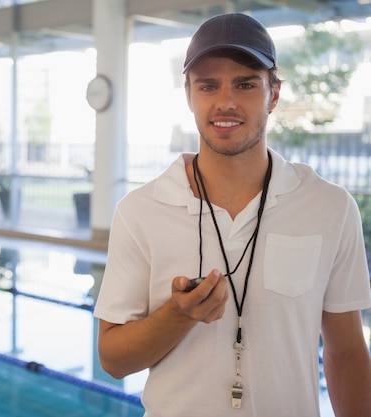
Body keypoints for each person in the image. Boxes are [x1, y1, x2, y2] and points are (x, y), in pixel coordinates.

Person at [93, 12, 371, 417]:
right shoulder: (142, 211)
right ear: (189, 95)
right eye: (208, 85)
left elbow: (346, 352)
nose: (226, 102)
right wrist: (177, 316)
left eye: (245, 84)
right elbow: (113, 360)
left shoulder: (328, 207)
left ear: (273, 94)